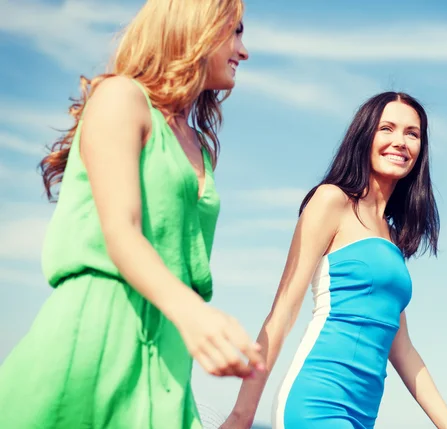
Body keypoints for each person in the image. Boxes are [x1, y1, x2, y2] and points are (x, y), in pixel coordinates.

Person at [0, 0, 264, 428]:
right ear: (196, 28)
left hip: (169, 359)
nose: (244, 50)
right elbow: (121, 232)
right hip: (97, 337)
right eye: (235, 31)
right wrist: (195, 315)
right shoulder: (121, 97)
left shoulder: (199, 145)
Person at [221, 92, 447, 429]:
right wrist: (241, 413)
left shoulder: (391, 237)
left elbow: (402, 348)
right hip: (316, 402)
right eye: (387, 129)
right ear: (365, 136)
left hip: (362, 414)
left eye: (412, 133)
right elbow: (284, 311)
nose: (400, 142)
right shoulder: (332, 200)